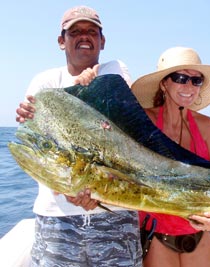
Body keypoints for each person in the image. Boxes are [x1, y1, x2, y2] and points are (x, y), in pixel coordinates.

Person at [15, 6, 142, 266]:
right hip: (56, 220)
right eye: (75, 32)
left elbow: (112, 100)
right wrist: (67, 190)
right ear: (62, 41)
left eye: (91, 31)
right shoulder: (44, 80)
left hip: (115, 216)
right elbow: (39, 149)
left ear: (102, 41)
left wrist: (84, 88)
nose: (84, 36)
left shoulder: (114, 68)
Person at [131, 46, 210, 267]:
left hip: (199, 232)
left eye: (196, 81)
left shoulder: (208, 127)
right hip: (155, 233)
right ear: (164, 83)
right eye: (181, 78)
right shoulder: (142, 123)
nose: (189, 86)